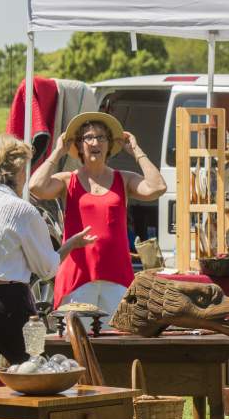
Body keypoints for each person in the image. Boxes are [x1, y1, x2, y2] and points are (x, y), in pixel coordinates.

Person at [0, 134, 95, 419]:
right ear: (16, 170)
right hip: (11, 303)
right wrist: (68, 246)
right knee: (39, 382)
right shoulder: (21, 210)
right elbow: (46, 268)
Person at [29, 111, 166, 317]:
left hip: (117, 275)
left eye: (101, 137)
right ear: (79, 145)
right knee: (78, 335)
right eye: (89, 137)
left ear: (109, 144)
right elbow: (35, 187)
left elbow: (157, 187)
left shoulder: (124, 179)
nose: (95, 142)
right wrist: (57, 152)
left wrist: (136, 151)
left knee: (118, 335)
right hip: (77, 276)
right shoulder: (68, 180)